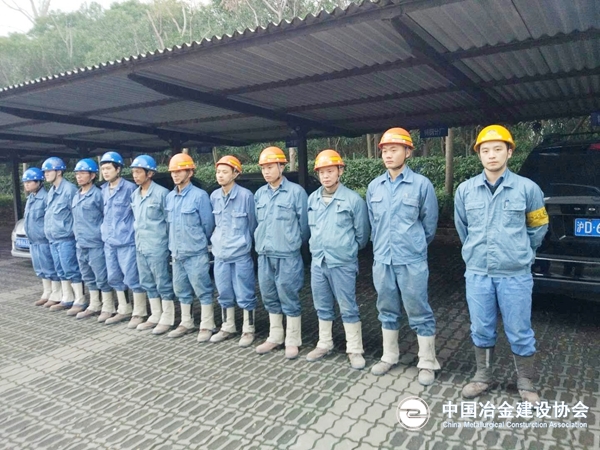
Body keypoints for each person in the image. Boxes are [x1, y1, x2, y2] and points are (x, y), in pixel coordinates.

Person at [454, 125, 548, 403]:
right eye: (485, 150)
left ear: (509, 152)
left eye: (498, 149)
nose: (492, 155)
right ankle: (483, 376)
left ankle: (526, 381)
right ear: (479, 155)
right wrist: (475, 253)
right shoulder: (465, 190)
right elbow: (463, 228)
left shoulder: (528, 189)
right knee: (481, 327)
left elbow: (538, 228)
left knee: (519, 329)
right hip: (478, 273)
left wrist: (521, 253)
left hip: (515, 274)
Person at [367, 128, 441, 385]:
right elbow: (373, 223)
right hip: (382, 260)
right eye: (385, 151)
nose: (388, 155)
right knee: (386, 308)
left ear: (408, 152)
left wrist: (414, 246)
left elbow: (429, 225)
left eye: (394, 150)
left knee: (418, 309)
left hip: (411, 260)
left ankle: (427, 361)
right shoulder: (374, 187)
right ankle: (389, 356)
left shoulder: (421, 185)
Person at [305, 150, 370, 370]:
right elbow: (309, 229)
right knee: (322, 305)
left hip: (342, 262)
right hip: (318, 261)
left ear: (340, 171)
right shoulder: (312, 199)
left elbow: (362, 235)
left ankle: (355, 349)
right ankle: (324, 343)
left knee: (348, 306)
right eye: (322, 172)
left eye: (330, 171)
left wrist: (346, 249)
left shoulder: (353, 200)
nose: (325, 176)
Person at [254, 146, 309, 360]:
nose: (266, 172)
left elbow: (304, 227)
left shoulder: (296, 192)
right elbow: (256, 223)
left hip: (287, 255)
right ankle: (275, 336)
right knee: (269, 294)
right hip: (265, 254)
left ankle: (293, 340)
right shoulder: (259, 194)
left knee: (289, 295)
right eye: (263, 168)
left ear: (281, 166)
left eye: (270, 167)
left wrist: (291, 242)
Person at [209, 156, 258, 347]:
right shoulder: (214, 196)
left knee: (245, 292)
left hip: (240, 254)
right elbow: (211, 224)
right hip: (220, 254)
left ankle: (248, 328)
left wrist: (245, 243)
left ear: (235, 174)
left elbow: (252, 225)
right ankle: (228, 326)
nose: (220, 175)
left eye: (225, 172)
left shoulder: (246, 196)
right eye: (218, 172)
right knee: (223, 291)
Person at [165, 153, 215, 340]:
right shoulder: (170, 197)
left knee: (202, 288)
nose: (175, 175)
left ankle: (207, 324)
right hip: (177, 253)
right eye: (173, 172)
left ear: (190, 173)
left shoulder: (200, 196)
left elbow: (207, 224)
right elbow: (168, 225)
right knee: (180, 289)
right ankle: (186, 322)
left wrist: (198, 242)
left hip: (195, 252)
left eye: (179, 171)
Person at [129, 155, 176, 334]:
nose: (135, 175)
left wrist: (168, 245)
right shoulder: (135, 195)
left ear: (149, 173)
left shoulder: (162, 194)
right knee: (147, 281)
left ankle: (168, 317)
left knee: (162, 282)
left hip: (157, 245)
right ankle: (155, 314)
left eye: (138, 172)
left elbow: (169, 222)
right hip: (141, 245)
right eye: (133, 172)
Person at [99, 151, 146, 325]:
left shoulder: (130, 189)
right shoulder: (103, 190)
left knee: (132, 277)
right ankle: (123, 308)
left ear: (118, 169)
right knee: (114, 276)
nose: (105, 172)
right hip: (109, 241)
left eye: (108, 168)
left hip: (126, 241)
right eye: (103, 169)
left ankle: (139, 312)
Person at [69, 158, 114, 319]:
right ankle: (94, 304)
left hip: (96, 243)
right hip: (80, 243)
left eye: (83, 173)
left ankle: (108, 306)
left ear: (93, 175)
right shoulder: (76, 195)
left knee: (101, 276)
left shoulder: (98, 195)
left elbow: (106, 216)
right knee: (87, 275)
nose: (79, 176)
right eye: (77, 173)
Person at [42, 157, 84, 312]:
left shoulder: (69, 190)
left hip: (66, 238)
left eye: (49, 171)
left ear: (59, 172)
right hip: (53, 238)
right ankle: (67, 297)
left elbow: (76, 214)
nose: (46, 174)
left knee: (71, 268)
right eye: (45, 171)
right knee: (61, 269)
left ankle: (80, 299)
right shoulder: (51, 191)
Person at [22, 168, 62, 307]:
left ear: (39, 182)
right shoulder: (30, 198)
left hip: (44, 239)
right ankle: (47, 292)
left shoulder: (45, 197)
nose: (26, 184)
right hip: (34, 240)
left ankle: (56, 293)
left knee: (50, 267)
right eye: (25, 182)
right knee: (40, 268)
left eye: (30, 181)